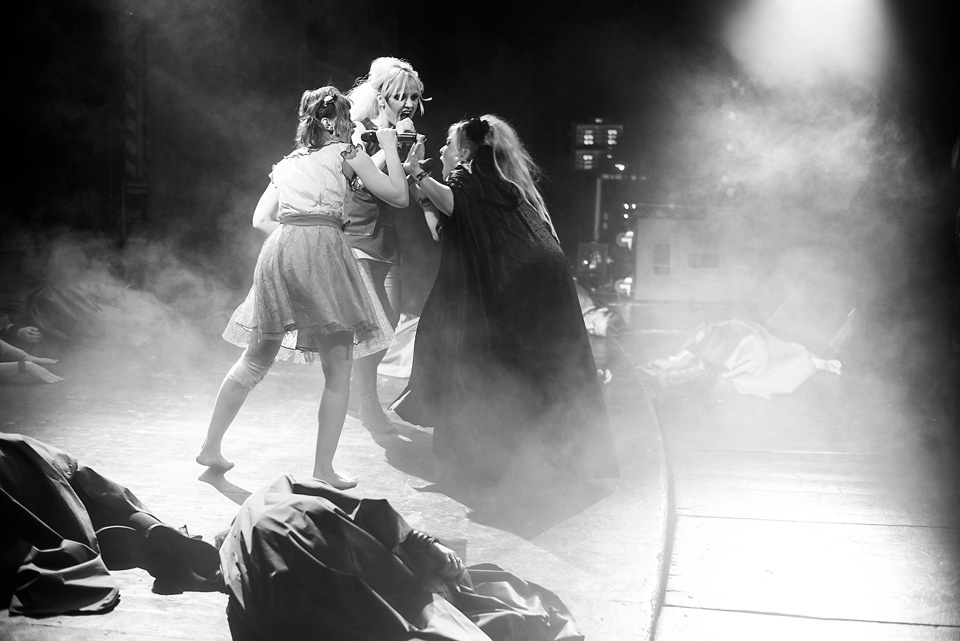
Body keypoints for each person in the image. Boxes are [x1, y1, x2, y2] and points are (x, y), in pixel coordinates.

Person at [196, 86, 408, 489]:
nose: (350, 126)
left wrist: (295, 243)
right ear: (328, 122)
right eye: (345, 118)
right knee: (338, 369)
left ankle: (210, 446)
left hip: (278, 253)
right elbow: (398, 196)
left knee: (254, 360)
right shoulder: (347, 153)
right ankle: (323, 470)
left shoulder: (288, 163)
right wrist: (389, 146)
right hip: (322, 253)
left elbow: (261, 220)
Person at [391, 115, 620, 484]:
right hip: (540, 277)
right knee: (537, 364)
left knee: (487, 356)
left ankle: (496, 457)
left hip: (524, 281)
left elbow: (452, 200)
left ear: (464, 150)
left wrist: (416, 171)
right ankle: (550, 455)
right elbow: (442, 228)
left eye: (448, 144)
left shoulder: (473, 171)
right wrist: (421, 188)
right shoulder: (495, 182)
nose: (442, 150)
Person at [219, 474, 583, 641]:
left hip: (308, 555)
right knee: (410, 604)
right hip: (310, 561)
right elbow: (371, 517)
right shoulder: (285, 527)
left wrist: (424, 545)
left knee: (405, 597)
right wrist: (424, 549)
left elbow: (369, 516)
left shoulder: (261, 535)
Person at [0, 433, 221, 616]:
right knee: (87, 499)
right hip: (22, 454)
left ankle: (145, 555)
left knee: (54, 528)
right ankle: (156, 533)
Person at [343, 57, 436, 430]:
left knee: (389, 323)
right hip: (354, 233)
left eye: (414, 97)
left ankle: (359, 395)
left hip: (385, 237)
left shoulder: (405, 134)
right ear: (381, 98)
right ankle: (368, 403)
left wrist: (416, 168)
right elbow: (359, 180)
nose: (409, 104)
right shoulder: (357, 130)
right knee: (370, 325)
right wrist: (390, 143)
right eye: (401, 96)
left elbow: (405, 191)